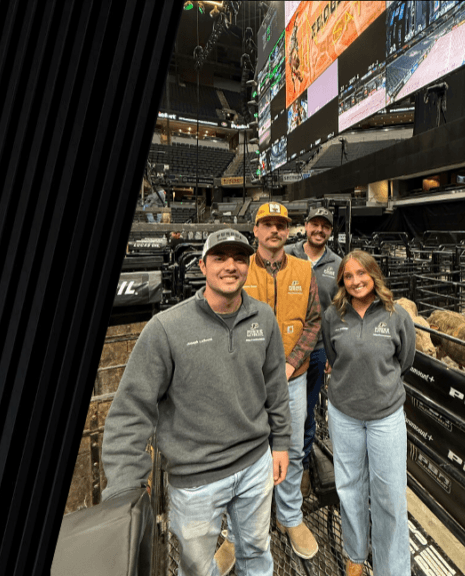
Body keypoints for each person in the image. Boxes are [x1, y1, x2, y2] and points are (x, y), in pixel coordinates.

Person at [102, 229, 290, 576]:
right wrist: (124, 489)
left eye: (238, 258)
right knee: (197, 569)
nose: (230, 266)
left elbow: (275, 387)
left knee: (257, 552)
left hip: (255, 466)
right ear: (202, 266)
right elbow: (131, 410)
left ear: (249, 266)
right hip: (195, 481)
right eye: (220, 258)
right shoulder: (166, 328)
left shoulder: (263, 318)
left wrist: (281, 444)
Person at [227, 201, 322, 562]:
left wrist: (290, 364)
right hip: (246, 382)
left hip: (292, 380)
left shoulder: (303, 269)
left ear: (287, 231)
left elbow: (313, 322)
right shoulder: (239, 269)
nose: (275, 230)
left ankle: (290, 517)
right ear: (255, 231)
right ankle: (237, 534)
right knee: (241, 453)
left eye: (280, 225)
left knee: (292, 450)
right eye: (267, 224)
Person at [322, 250, 416, 576]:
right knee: (349, 488)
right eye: (348, 276)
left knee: (389, 494)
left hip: (385, 416)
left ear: (373, 275)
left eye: (361, 274)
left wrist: (381, 387)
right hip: (344, 413)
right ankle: (355, 555)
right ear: (342, 281)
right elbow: (334, 357)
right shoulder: (333, 316)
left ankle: (393, 568)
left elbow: (405, 360)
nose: (356, 281)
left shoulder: (396, 315)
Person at [285, 206, 341, 497]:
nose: (319, 230)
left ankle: (303, 465)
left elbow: (338, 311)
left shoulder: (337, 263)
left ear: (330, 231)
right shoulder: (287, 254)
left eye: (325, 226)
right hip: (282, 348)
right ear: (305, 225)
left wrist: (333, 351)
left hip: (317, 349)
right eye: (314, 224)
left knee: (306, 410)